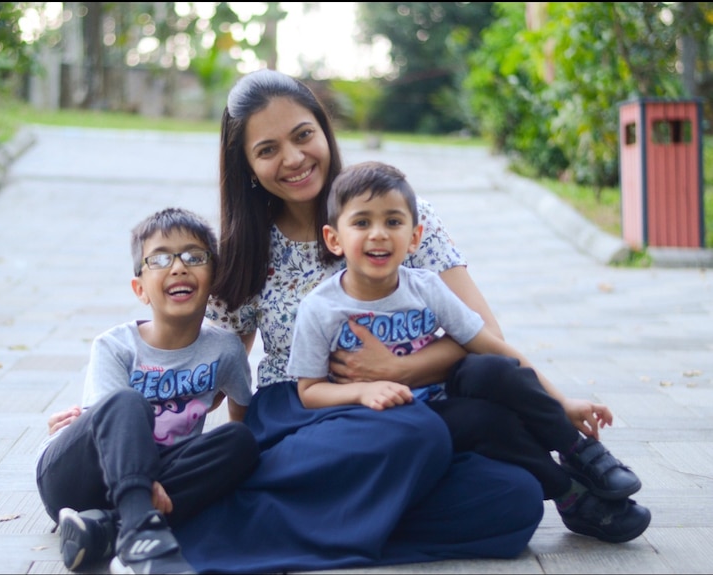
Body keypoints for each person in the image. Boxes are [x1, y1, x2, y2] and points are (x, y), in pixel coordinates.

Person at [165, 69, 547, 573]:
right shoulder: (244, 250)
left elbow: (485, 336)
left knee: (515, 501)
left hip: (403, 406)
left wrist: (398, 370)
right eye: (268, 149)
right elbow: (212, 364)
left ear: (324, 131)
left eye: (303, 136)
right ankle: (222, 522)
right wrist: (110, 414)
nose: (294, 158)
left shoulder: (403, 217)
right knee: (417, 434)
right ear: (248, 168)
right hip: (300, 414)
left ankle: (308, 525)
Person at [288, 160, 651, 544]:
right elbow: (309, 391)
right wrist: (361, 390)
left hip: (439, 402)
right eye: (362, 223)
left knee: (490, 369)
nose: (378, 235)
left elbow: (494, 346)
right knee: (486, 420)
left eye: (393, 222)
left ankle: (579, 450)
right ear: (334, 239)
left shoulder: (425, 287)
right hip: (384, 424)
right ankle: (571, 496)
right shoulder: (321, 308)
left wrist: (562, 403)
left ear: (414, 237)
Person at [35, 207, 258, 574]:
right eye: (160, 259)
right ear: (140, 289)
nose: (178, 267)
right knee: (127, 402)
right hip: (76, 480)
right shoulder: (114, 346)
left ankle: (104, 529)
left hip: (157, 477)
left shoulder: (225, 350)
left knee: (239, 442)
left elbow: (243, 417)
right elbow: (104, 423)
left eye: (194, 256)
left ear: (213, 278)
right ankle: (140, 535)